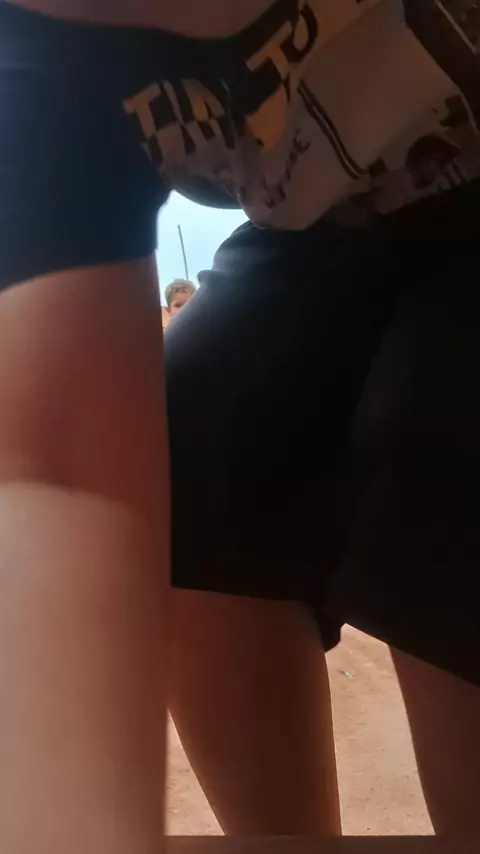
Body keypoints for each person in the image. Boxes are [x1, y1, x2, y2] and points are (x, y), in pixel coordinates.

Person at [1, 0, 480, 848]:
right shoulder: (44, 54)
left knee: (439, 473)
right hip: (328, 215)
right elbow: (59, 472)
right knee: (190, 458)